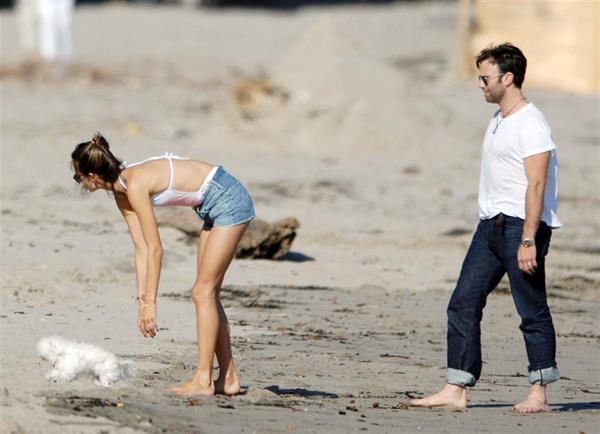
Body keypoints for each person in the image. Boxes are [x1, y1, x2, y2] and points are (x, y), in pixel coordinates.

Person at [410, 43, 561, 413]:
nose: (480, 84)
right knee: (462, 303)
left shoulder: (531, 123)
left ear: (507, 78)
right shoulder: (499, 118)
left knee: (531, 309)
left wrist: (528, 239)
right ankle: (456, 387)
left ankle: (539, 392)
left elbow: (537, 185)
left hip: (520, 229)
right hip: (489, 227)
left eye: (485, 77)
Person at [70, 133, 255, 396]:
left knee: (202, 292)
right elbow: (141, 248)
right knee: (208, 294)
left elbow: (156, 249)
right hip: (210, 206)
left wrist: (151, 304)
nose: (79, 182)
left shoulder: (133, 185)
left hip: (228, 199)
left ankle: (203, 380)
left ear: (90, 176)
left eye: (77, 177)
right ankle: (228, 378)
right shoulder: (121, 190)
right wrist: (142, 301)